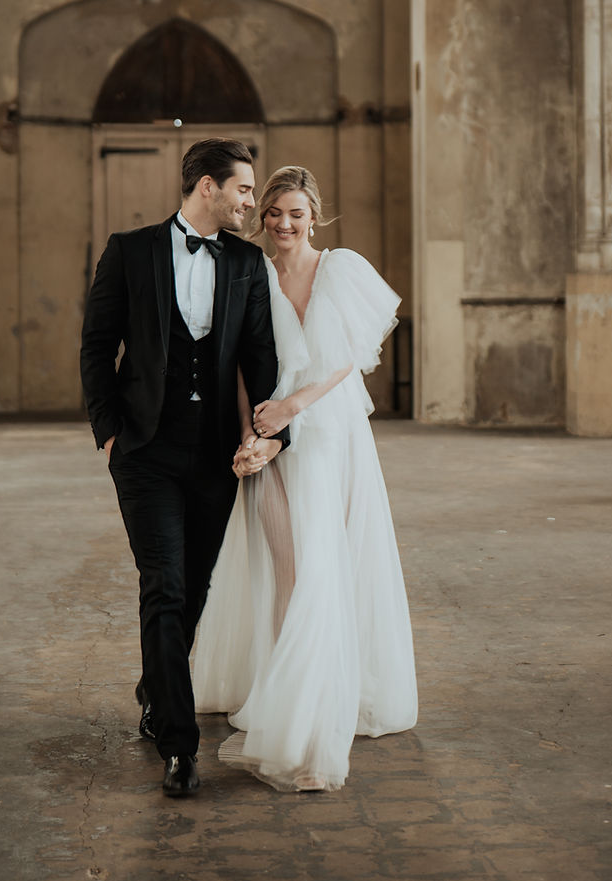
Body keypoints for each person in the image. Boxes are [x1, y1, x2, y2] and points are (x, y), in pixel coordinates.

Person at [194, 165, 418, 792]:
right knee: (283, 567)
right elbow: (238, 366)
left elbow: (348, 359)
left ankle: (310, 714)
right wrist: (252, 434)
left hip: (327, 436)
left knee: (318, 567)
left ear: (313, 216)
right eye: (273, 213)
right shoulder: (252, 274)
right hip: (271, 440)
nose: (284, 224)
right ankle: (283, 687)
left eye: (296, 214)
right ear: (261, 216)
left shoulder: (340, 268)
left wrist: (293, 409)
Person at [79, 137, 287, 799]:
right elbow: (95, 346)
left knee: (193, 587)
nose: (252, 201)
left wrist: (267, 433)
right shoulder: (129, 250)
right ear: (207, 186)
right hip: (144, 450)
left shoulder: (249, 264)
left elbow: (261, 360)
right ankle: (179, 743)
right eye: (245, 189)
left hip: (215, 453)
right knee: (162, 584)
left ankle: (154, 683)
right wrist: (109, 434)